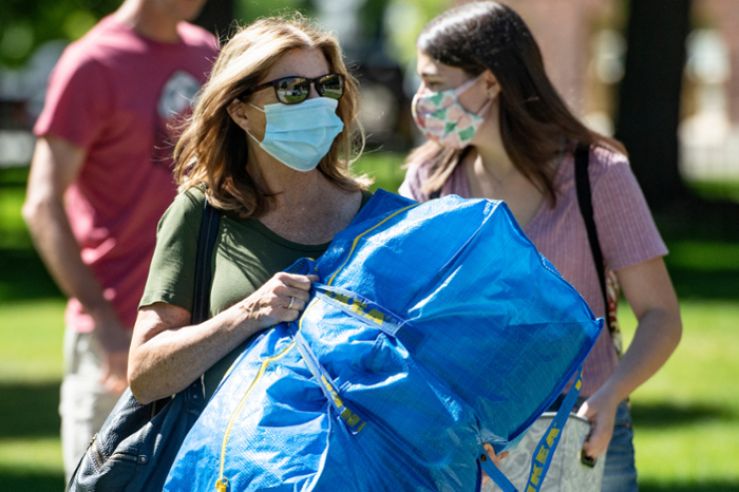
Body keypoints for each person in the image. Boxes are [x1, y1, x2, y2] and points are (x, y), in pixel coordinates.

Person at [399, 2, 682, 491]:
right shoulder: (428, 181)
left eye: (436, 83)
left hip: (584, 430)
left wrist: (611, 397)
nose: (422, 100)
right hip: (467, 442)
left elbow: (661, 315)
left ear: (490, 82)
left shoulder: (597, 175)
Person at [126, 16, 370, 414]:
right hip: (231, 471)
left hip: (363, 471)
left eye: (326, 86)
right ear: (239, 111)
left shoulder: (382, 219)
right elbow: (145, 377)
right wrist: (250, 312)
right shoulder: (202, 213)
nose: (316, 103)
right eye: (292, 90)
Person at [22, 0, 217, 480]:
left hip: (201, 329)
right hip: (114, 334)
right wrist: (102, 317)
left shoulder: (209, 53)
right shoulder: (93, 63)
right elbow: (42, 203)